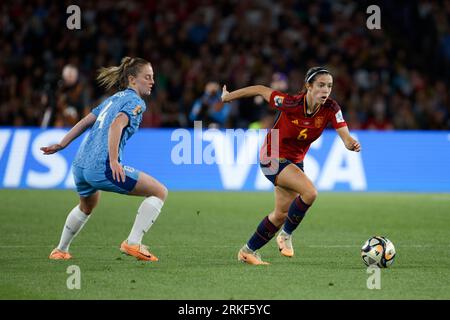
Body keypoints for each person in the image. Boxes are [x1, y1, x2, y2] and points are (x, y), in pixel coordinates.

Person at [221, 67, 361, 265]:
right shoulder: (291, 103)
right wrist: (228, 97)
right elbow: (261, 89)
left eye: (329, 86)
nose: (326, 90)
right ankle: (285, 235)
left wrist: (349, 143)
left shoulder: (331, 108)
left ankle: (247, 251)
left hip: (294, 161)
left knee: (280, 214)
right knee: (310, 193)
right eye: (321, 85)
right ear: (308, 86)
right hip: (272, 157)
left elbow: (345, 135)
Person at [41, 57, 168, 262]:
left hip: (80, 165)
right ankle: (133, 243)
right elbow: (116, 125)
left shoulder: (113, 99)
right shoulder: (136, 102)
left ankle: (60, 250)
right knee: (160, 191)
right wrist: (114, 161)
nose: (152, 81)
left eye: (152, 77)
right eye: (147, 77)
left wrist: (62, 144)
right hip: (102, 167)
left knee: (87, 205)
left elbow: (85, 122)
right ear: (132, 80)